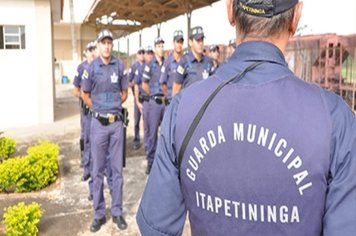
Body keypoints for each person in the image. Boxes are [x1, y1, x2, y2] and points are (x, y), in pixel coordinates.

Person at [137, 0, 356, 235]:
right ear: (296, 16)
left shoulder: (184, 108)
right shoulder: (333, 118)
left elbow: (156, 226)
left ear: (230, 10)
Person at [81, 29, 128, 232]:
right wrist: (99, 110)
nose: (107, 46)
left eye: (109, 42)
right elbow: (84, 93)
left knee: (117, 172)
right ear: (98, 45)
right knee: (97, 171)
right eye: (103, 42)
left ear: (112, 45)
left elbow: (125, 93)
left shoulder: (120, 66)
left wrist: (113, 108)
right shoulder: (91, 68)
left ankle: (117, 212)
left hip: (116, 125)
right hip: (98, 125)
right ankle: (99, 214)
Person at [141, 37, 166, 175]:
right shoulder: (149, 65)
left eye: (162, 45)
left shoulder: (167, 63)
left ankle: (163, 162)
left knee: (166, 134)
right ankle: (151, 162)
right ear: (155, 48)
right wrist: (153, 96)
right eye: (159, 46)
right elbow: (144, 84)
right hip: (154, 103)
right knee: (152, 135)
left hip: (165, 103)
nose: (161, 48)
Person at [73, 41, 96, 176]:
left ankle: (99, 167)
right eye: (90, 49)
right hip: (86, 109)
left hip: (98, 109)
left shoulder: (99, 66)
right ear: (86, 52)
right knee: (86, 137)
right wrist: (85, 97)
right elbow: (76, 90)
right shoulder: (81, 68)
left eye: (94, 49)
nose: (92, 52)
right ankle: (86, 167)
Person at [171, 26, 214, 96]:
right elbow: (176, 90)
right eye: (197, 40)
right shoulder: (184, 62)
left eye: (202, 40)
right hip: (189, 105)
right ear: (190, 42)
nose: (200, 43)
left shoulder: (209, 62)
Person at [134, 46, 154, 155]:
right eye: (148, 53)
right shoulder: (140, 69)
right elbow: (136, 86)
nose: (150, 56)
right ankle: (147, 148)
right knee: (145, 126)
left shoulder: (156, 67)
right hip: (144, 100)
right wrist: (137, 102)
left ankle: (153, 147)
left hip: (154, 102)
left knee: (153, 127)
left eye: (151, 53)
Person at [128, 47, 145, 150]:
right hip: (137, 97)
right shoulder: (134, 67)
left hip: (147, 98)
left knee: (147, 121)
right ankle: (137, 140)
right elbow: (129, 81)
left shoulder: (149, 64)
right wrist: (135, 86)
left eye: (143, 53)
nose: (142, 55)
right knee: (136, 120)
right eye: (140, 53)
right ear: (137, 55)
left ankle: (147, 140)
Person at [160, 30, 184, 104]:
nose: (179, 44)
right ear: (173, 43)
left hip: (183, 99)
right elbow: (163, 83)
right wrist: (168, 96)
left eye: (181, 42)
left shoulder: (185, 61)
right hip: (171, 100)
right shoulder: (168, 62)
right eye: (177, 42)